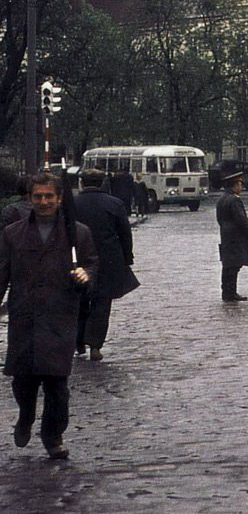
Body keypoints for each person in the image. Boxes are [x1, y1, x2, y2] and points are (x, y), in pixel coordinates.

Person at [0, 172, 98, 460]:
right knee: (23, 380)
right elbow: (1, 274)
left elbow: (92, 264)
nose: (44, 201)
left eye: (49, 196)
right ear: (30, 199)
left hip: (59, 317)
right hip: (25, 317)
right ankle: (26, 416)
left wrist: (86, 275)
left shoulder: (77, 233)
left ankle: (53, 435)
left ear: (59, 198)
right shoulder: (12, 233)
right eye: (38, 196)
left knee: (57, 384)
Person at [73, 170, 139, 362]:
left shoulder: (71, 204)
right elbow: (125, 234)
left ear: (82, 183)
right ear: (102, 182)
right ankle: (95, 345)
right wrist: (127, 258)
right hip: (108, 259)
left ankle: (79, 341)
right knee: (102, 303)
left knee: (79, 300)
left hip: (79, 258)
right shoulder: (114, 203)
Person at [216, 164, 248, 302]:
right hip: (236, 237)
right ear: (234, 185)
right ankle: (230, 293)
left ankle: (227, 292)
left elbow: (219, 219)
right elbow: (241, 219)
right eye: (239, 184)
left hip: (226, 235)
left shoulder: (222, 199)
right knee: (234, 266)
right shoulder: (234, 200)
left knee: (228, 265)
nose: (241, 187)